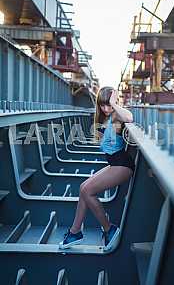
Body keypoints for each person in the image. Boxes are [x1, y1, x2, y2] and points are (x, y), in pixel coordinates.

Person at [59, 86, 134, 250]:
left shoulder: (117, 115)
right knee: (83, 187)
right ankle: (75, 231)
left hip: (123, 166)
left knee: (87, 191)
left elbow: (130, 117)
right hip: (114, 164)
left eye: (109, 104)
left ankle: (109, 229)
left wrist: (114, 104)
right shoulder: (105, 120)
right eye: (103, 105)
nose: (106, 109)